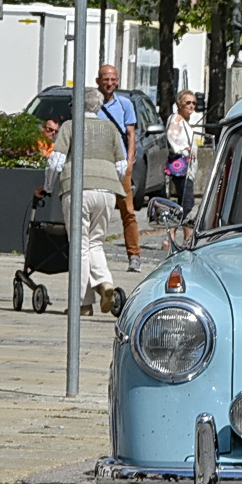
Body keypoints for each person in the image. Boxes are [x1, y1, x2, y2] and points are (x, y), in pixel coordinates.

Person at [53, 87, 123, 314]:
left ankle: (80, 304)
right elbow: (122, 165)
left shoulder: (70, 126)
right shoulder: (110, 128)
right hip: (108, 189)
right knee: (96, 242)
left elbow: (56, 161)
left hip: (78, 189)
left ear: (78, 106)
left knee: (80, 247)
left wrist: (47, 186)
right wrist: (109, 180)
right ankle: (105, 283)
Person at [97, 65, 143, 272]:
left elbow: (131, 134)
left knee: (128, 211)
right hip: (98, 164)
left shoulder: (125, 104)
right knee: (96, 209)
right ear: (98, 81)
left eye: (113, 79)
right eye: (105, 79)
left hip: (119, 164)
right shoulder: (92, 104)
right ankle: (91, 254)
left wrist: (130, 161)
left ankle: (134, 255)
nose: (109, 83)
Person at [165, 89, 198, 212]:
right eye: (188, 102)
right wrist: (183, 149)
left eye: (194, 103)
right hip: (181, 166)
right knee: (187, 202)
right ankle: (180, 227)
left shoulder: (184, 121)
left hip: (187, 168)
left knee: (183, 203)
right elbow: (171, 135)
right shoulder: (176, 119)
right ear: (180, 104)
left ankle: (175, 230)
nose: (191, 106)